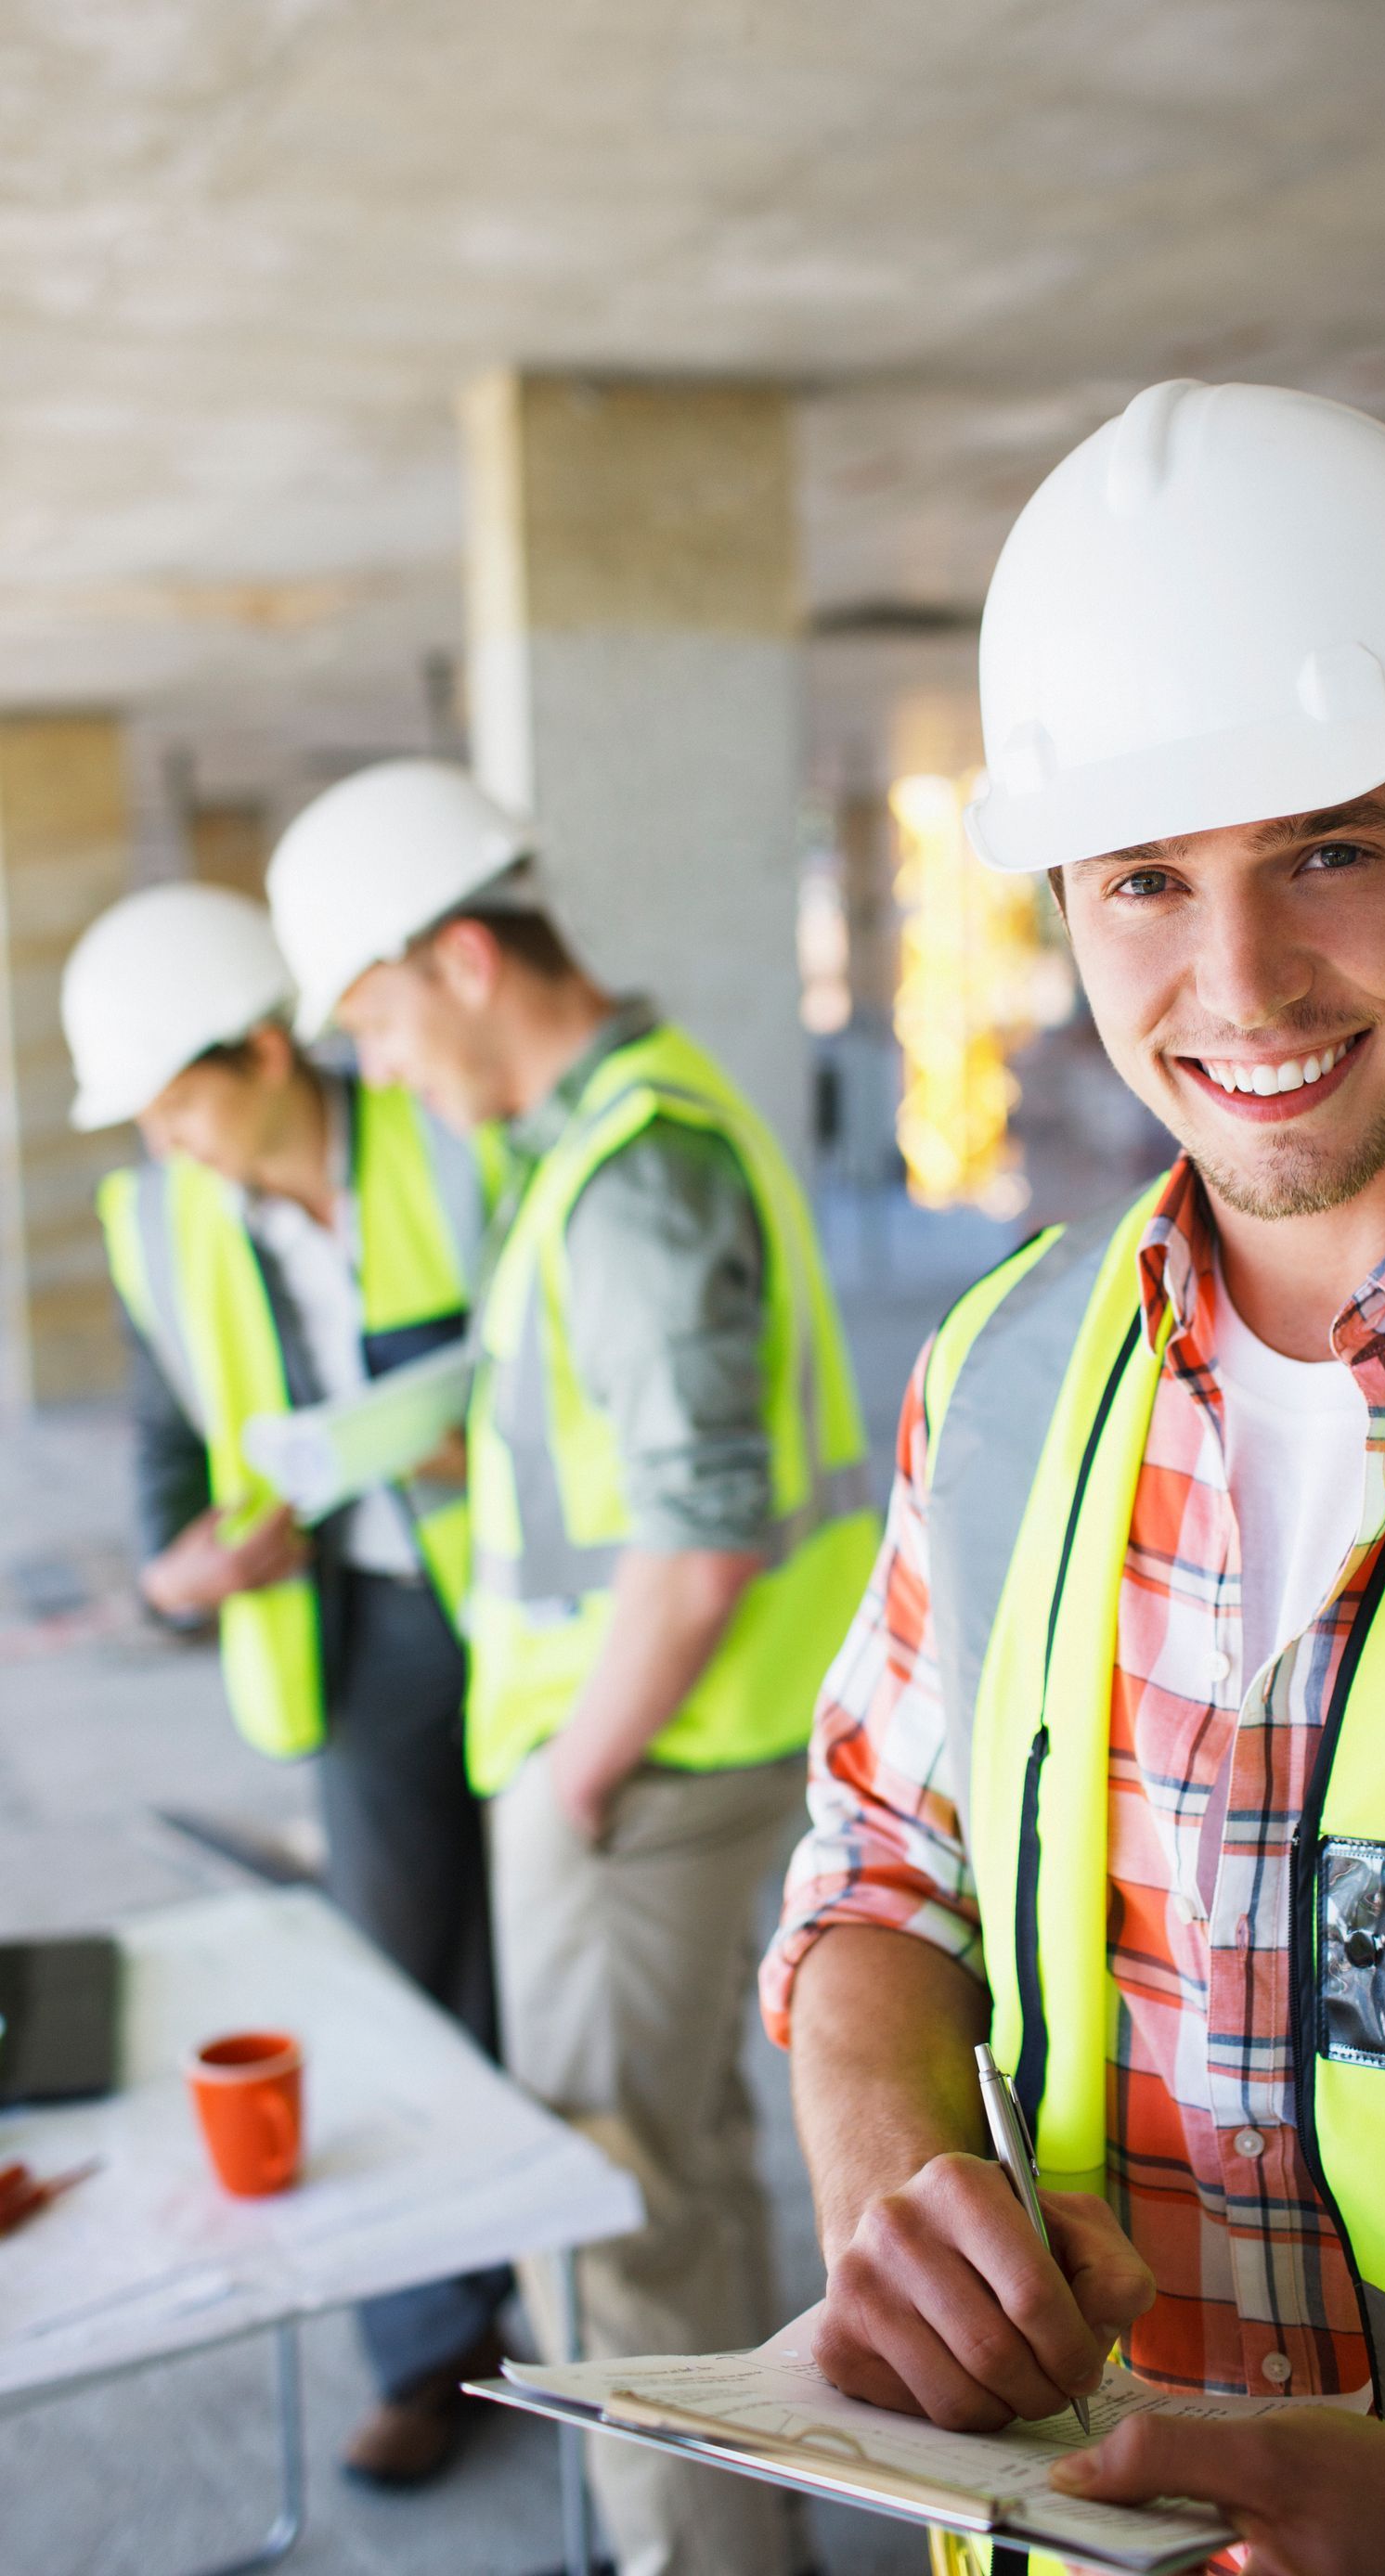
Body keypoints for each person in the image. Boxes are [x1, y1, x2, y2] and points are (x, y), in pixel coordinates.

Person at [762, 380, 1385, 2576]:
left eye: (1330, 847)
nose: (1238, 986)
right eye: (1146, 881)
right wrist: (887, 2179)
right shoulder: (1011, 1368)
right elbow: (878, 1877)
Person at [265, 756, 879, 2576]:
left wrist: (576, 1776)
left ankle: (686, 2551)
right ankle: (721, 2529)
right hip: (675, 1753)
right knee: (670, 2186)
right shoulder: (617, 1135)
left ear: (461, 958)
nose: (377, 1071)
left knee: (609, 2206)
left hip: (642, 1768)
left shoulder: (628, 1167)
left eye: (372, 1020)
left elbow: (700, 1540)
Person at [63, 881, 511, 2486]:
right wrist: (192, 1574)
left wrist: (501, 1445)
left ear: (268, 1048)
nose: (167, 1142)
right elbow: (161, 1498)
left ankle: (571, 2314)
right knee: (394, 1988)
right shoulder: (157, 1226)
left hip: (528, 1612)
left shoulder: (443, 1124)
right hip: (361, 1638)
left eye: (180, 1101)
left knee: (544, 1973)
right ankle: (430, 2350)